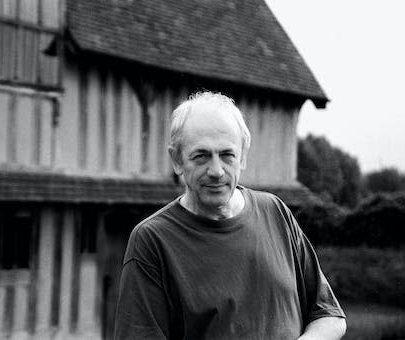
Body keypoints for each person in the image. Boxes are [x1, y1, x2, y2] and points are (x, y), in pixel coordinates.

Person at [114, 92, 346, 339]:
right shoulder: (152, 240)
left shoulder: (276, 212)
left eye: (227, 155)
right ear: (177, 160)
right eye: (201, 156)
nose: (216, 171)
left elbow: (328, 315)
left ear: (243, 156)